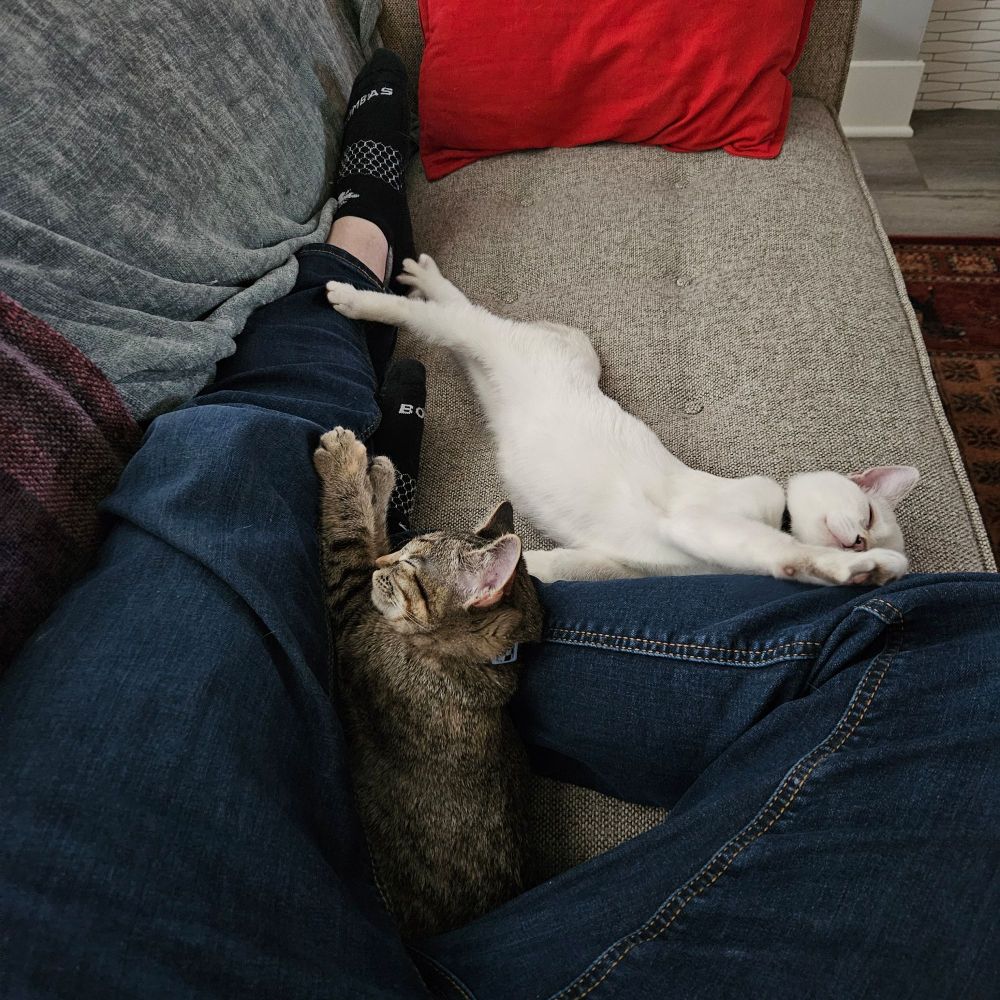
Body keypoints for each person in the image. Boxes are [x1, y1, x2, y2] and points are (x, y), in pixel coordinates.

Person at [1, 52, 997, 1000]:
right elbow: (647, 549)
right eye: (866, 526)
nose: (862, 543)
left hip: (99, 892)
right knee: (970, 652)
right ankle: (358, 328)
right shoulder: (730, 504)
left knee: (223, 453)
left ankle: (350, 282)